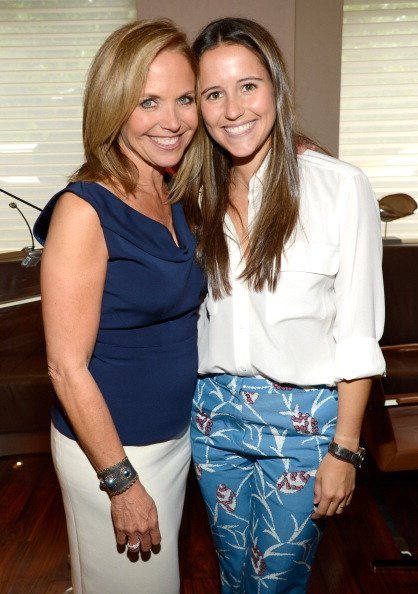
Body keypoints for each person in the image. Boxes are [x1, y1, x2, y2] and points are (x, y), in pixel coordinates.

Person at [173, 17, 386, 594]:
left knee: (275, 584)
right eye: (213, 93)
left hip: (303, 424)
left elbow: (358, 331)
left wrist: (345, 448)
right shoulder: (190, 197)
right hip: (213, 416)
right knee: (233, 574)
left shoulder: (339, 187)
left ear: (276, 88)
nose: (233, 108)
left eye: (249, 86)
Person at [33, 19, 205, 594]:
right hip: (115, 453)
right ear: (113, 106)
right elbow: (65, 366)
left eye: (185, 99)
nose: (173, 120)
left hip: (172, 440)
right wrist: (121, 481)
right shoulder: (85, 211)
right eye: (148, 101)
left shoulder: (171, 188)